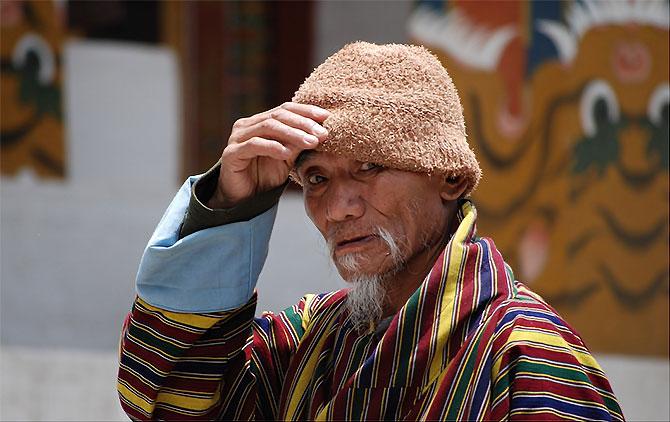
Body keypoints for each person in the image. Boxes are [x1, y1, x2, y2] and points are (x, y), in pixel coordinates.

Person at [117, 42, 624, 421]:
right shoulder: (308, 342)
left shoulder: (527, 357)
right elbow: (164, 399)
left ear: (449, 177)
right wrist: (229, 205)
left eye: (370, 168)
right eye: (316, 178)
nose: (337, 208)